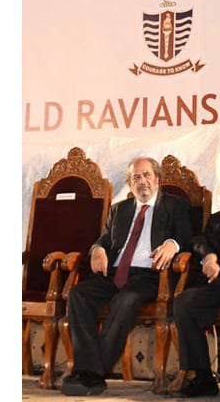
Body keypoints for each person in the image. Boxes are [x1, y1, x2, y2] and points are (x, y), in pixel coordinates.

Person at [61, 156, 193, 396]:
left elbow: (188, 238)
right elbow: (104, 239)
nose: (142, 181)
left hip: (150, 275)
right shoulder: (118, 210)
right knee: (79, 294)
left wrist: (173, 244)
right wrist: (97, 249)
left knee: (128, 298)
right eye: (136, 177)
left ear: (157, 179)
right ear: (130, 183)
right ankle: (89, 370)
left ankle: (92, 372)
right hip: (115, 273)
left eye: (146, 175)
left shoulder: (175, 205)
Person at [167, 170, 220, 400]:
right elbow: (200, 242)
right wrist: (209, 257)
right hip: (219, 276)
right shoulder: (219, 219)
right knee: (185, 303)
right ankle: (202, 377)